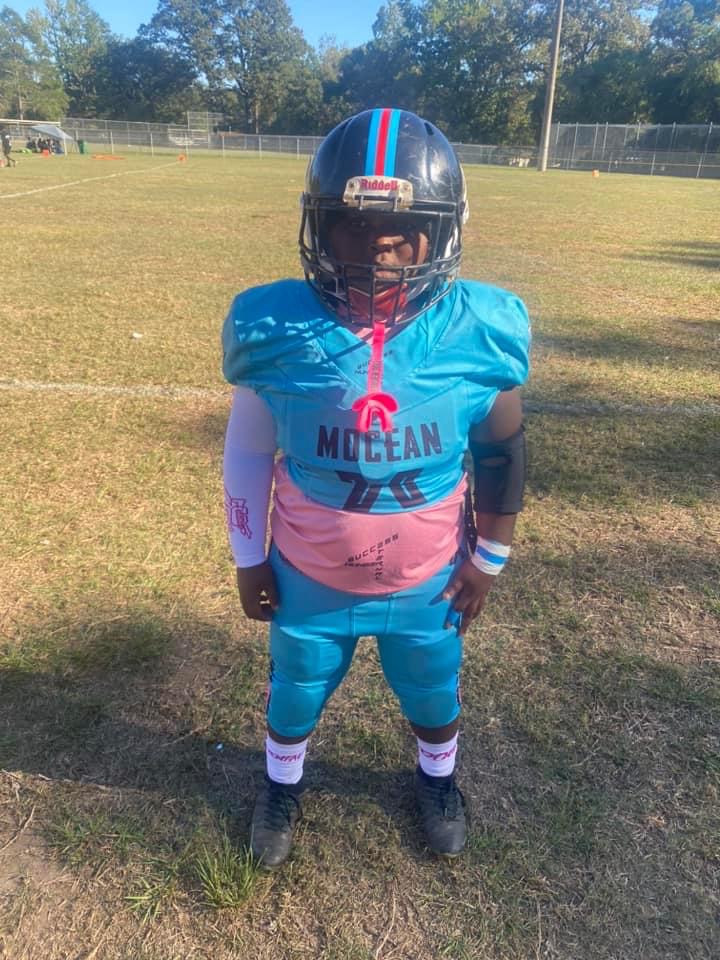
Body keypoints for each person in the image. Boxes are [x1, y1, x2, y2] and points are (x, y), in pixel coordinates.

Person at [222, 108, 530, 868]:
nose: (378, 246)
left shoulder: (479, 329)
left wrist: (489, 558)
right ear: (318, 227)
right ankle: (281, 786)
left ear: (443, 231)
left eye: (402, 228)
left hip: (429, 577)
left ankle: (438, 780)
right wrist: (248, 557)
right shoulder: (276, 329)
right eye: (353, 226)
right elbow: (248, 451)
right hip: (308, 571)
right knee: (296, 687)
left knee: (433, 688)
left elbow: (500, 453)